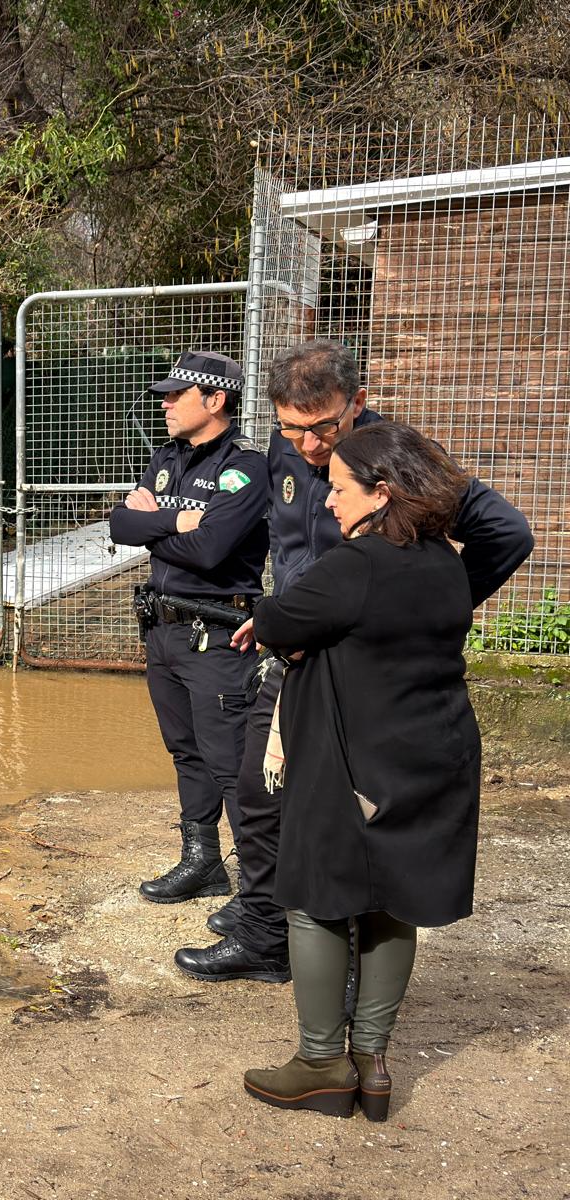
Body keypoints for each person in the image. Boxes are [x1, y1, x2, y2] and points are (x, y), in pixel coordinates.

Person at [173, 341, 533, 984]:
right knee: (259, 791)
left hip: (360, 668)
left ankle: (305, 937)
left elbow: (506, 533)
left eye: (323, 427)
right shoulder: (286, 446)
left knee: (337, 807)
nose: (310, 446)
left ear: (357, 401)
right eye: (292, 429)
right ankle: (266, 920)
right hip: (293, 651)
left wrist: (420, 608)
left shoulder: (393, 457)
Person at [240, 421, 485, 1119]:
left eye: (341, 488)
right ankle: (372, 1061)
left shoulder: (357, 565)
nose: (327, 500)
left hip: (355, 759)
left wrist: (275, 623)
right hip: (435, 754)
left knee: (316, 898)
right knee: (393, 898)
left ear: (382, 493)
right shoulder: (446, 563)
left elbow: (279, 619)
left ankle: (321, 1063)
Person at [109, 351, 268, 904]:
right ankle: (202, 863)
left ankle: (260, 891)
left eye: (177, 395)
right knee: (186, 751)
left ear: (216, 400)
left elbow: (211, 549)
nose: (166, 404)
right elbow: (120, 525)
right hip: (163, 629)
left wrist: (153, 526)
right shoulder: (166, 458)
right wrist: (178, 521)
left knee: (231, 762)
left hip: (218, 633)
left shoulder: (245, 467)